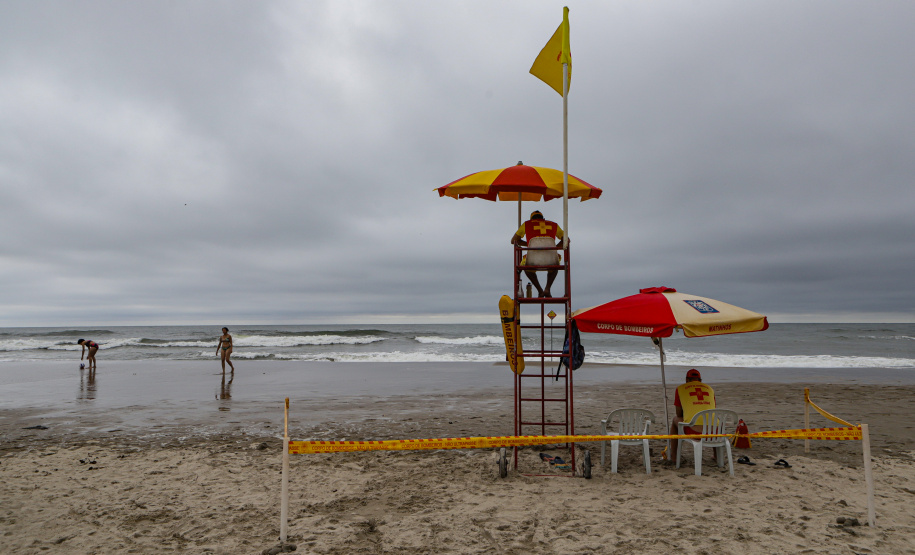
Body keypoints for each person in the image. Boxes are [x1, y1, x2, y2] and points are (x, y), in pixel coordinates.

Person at [510, 210, 566, 298]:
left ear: (531, 219)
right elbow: (567, 240)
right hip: (550, 258)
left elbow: (513, 241)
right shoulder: (554, 225)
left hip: (533, 259)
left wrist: (528, 244)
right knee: (556, 264)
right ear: (543, 218)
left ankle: (540, 290)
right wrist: (555, 248)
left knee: (525, 266)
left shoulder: (527, 224)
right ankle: (547, 288)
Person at [668, 368, 716, 463]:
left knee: (675, 420)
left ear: (686, 380)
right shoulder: (710, 389)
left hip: (694, 432)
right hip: (714, 433)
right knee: (712, 420)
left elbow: (679, 414)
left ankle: (674, 457)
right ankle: (716, 456)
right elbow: (712, 408)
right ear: (700, 380)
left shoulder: (680, 389)